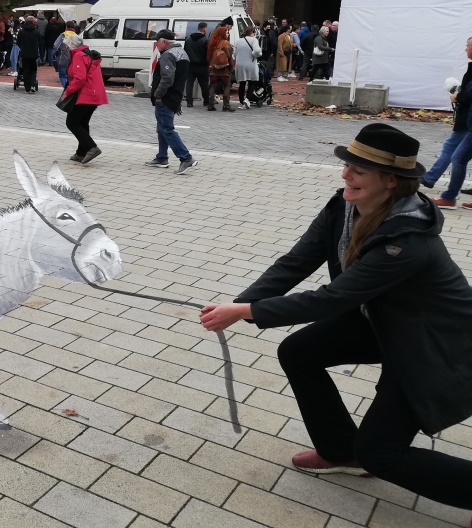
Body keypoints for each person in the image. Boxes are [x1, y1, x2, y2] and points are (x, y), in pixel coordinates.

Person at [200, 124, 472, 509]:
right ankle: (341, 451)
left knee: (382, 455)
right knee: (300, 351)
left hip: (434, 345)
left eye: (358, 170)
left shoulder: (408, 243)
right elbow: (296, 261)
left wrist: (248, 312)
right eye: (346, 165)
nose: (345, 174)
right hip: (385, 322)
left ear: (391, 181)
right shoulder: (344, 206)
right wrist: (238, 304)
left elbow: (332, 299)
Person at [423, 38, 472, 209]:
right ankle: (436, 183)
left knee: (456, 156)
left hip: (468, 121)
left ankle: (448, 196)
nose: (465, 49)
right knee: (456, 153)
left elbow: (468, 96)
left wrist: (457, 96)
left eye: (467, 46)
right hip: (468, 121)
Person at [147, 29, 197, 174]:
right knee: (162, 127)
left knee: (166, 129)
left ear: (163, 42)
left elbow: (167, 77)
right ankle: (162, 157)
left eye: (157, 41)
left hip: (166, 97)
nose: (156, 44)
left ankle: (185, 157)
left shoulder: (167, 55)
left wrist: (158, 93)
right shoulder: (182, 53)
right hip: (176, 95)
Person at [59, 34, 106, 165]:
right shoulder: (87, 53)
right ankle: (81, 152)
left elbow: (80, 78)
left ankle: (91, 148)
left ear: (71, 46)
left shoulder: (79, 55)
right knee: (82, 123)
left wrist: (67, 92)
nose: (66, 49)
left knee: (72, 122)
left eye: (67, 46)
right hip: (95, 93)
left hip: (86, 94)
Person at [206, 22, 235, 112]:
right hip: (224, 68)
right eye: (226, 32)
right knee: (226, 85)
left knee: (213, 85)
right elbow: (229, 57)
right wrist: (231, 67)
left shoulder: (212, 43)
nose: (228, 34)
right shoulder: (225, 43)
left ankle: (210, 104)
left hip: (213, 67)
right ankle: (226, 105)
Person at [234, 25, 261, 109]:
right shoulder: (254, 40)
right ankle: (247, 99)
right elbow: (256, 51)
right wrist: (256, 54)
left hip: (240, 64)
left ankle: (241, 102)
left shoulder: (238, 41)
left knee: (242, 83)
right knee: (252, 81)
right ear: (253, 32)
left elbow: (235, 53)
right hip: (251, 63)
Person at [183, 21, 209, 108]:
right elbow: (208, 54)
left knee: (189, 84)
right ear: (205, 29)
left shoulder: (188, 39)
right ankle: (206, 101)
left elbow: (185, 52)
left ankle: (189, 102)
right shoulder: (205, 40)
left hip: (190, 65)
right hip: (202, 66)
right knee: (204, 85)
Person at [16, 16, 42, 93]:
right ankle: (33, 84)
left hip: (24, 53)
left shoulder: (21, 31)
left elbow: (18, 42)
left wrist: (22, 47)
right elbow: (40, 42)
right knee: (33, 70)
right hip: (34, 53)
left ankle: (27, 87)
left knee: (25, 70)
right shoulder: (36, 31)